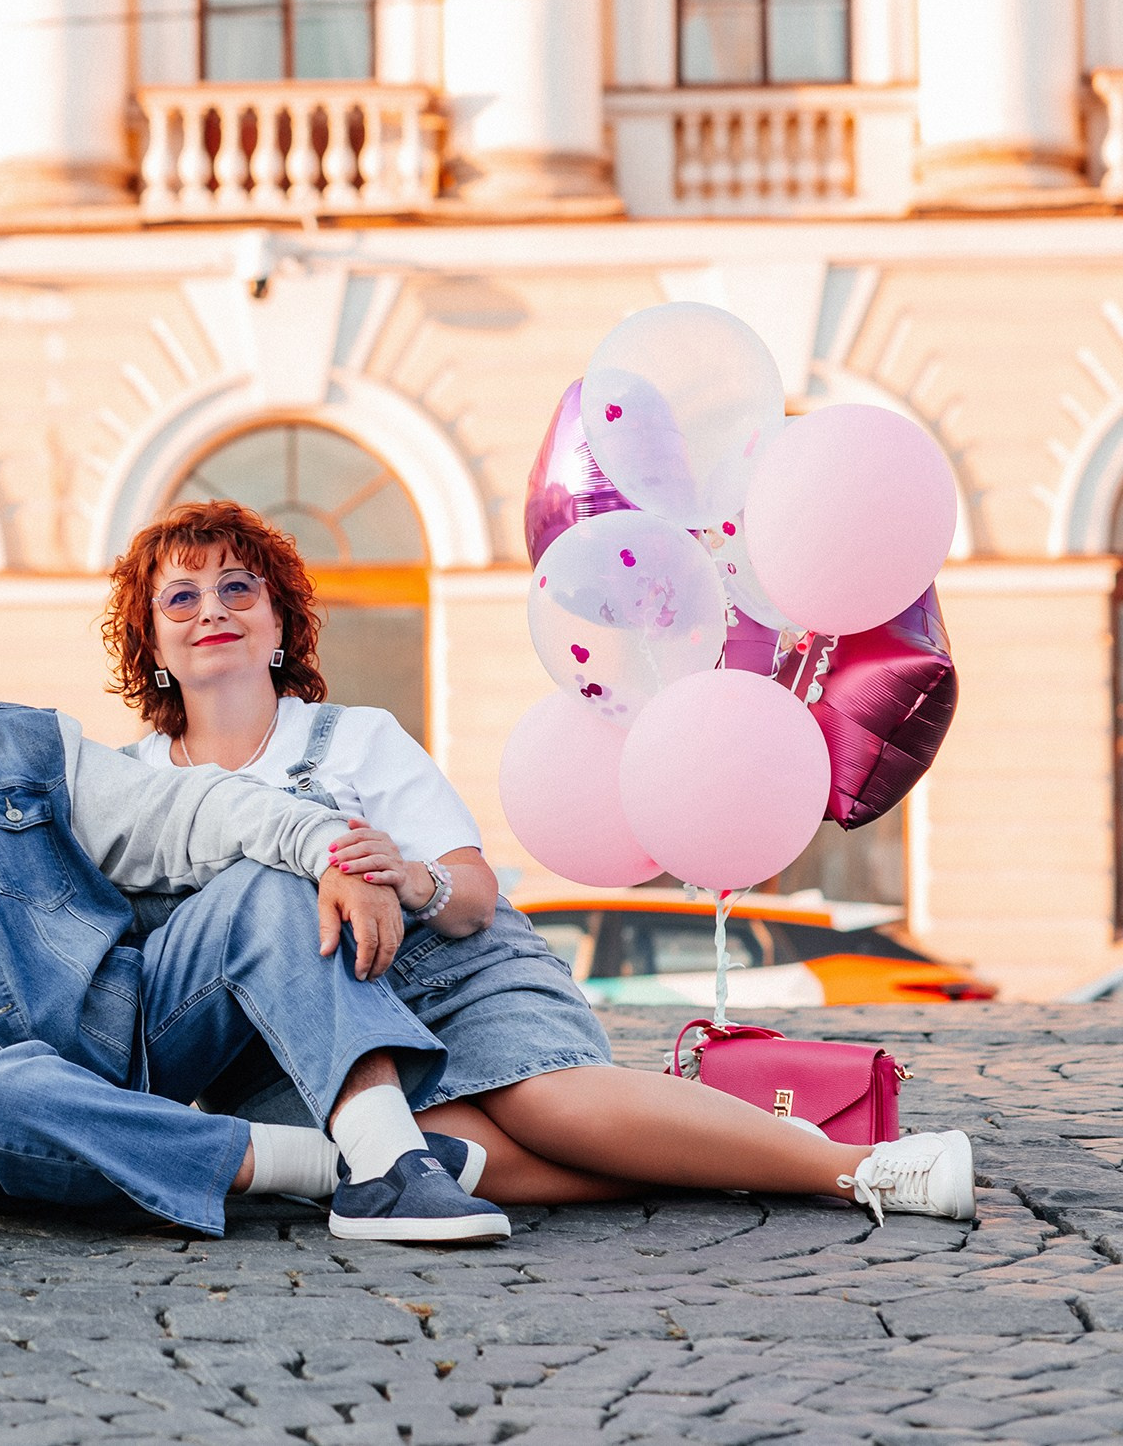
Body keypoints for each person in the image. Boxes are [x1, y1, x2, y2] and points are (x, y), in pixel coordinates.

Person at [103, 498, 973, 1224]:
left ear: (282, 624)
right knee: (454, 1151)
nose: (211, 609)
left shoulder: (356, 740)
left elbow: (473, 897)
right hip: (298, 1048)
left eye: (236, 587)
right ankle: (739, 1156)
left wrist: (410, 878)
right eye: (180, 598)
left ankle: (861, 1167)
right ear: (154, 645)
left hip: (449, 970)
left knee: (544, 1102)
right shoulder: (127, 788)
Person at [0, 505, 512, 1244]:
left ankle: (391, 1164)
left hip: (107, 1042)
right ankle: (327, 1164)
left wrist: (331, 848)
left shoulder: (11, 744)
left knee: (270, 881)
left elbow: (188, 810)